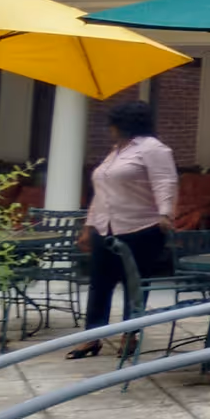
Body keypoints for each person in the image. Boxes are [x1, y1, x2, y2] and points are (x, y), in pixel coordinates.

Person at [68, 100, 179, 359]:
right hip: (105, 229)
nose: (111, 130)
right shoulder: (116, 151)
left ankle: (131, 335)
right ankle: (91, 337)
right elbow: (101, 193)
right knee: (99, 283)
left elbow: (165, 182)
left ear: (127, 124)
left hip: (141, 226)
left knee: (135, 284)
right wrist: (88, 226)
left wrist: (165, 214)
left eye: (114, 125)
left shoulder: (153, 149)